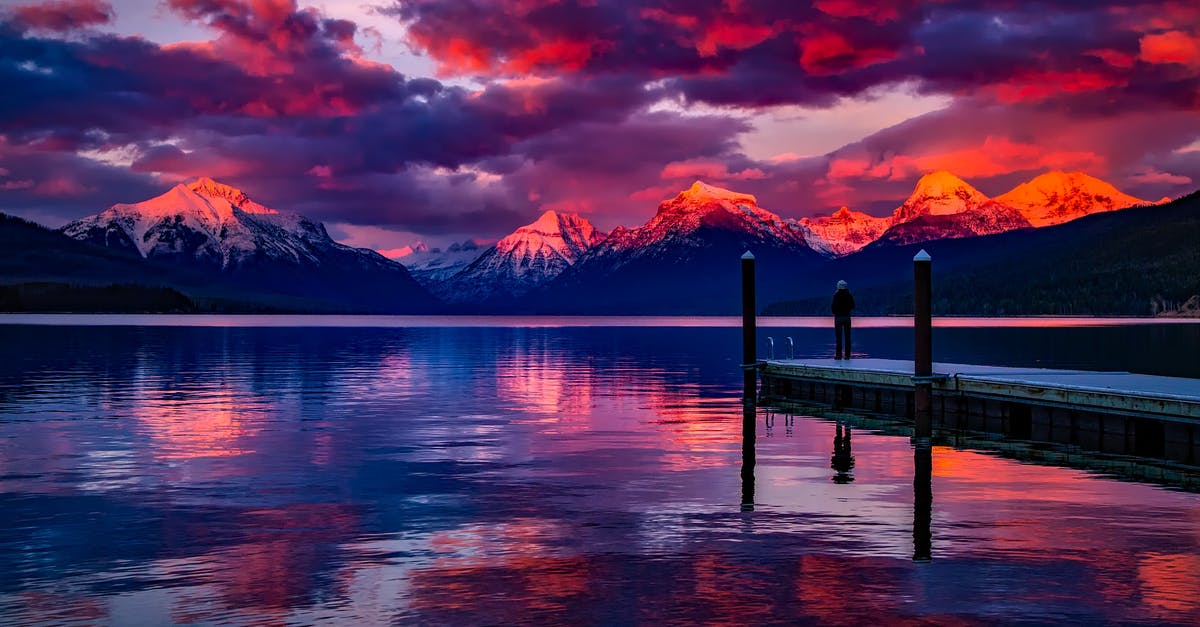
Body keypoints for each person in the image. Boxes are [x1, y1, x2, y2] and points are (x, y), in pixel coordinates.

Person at [831, 280, 854, 359]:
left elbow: (833, 308)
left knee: (838, 338)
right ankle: (847, 356)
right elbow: (853, 305)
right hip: (847, 318)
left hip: (838, 318)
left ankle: (838, 355)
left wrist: (837, 311)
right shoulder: (849, 295)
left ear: (838, 286)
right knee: (848, 337)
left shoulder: (836, 295)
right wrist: (847, 309)